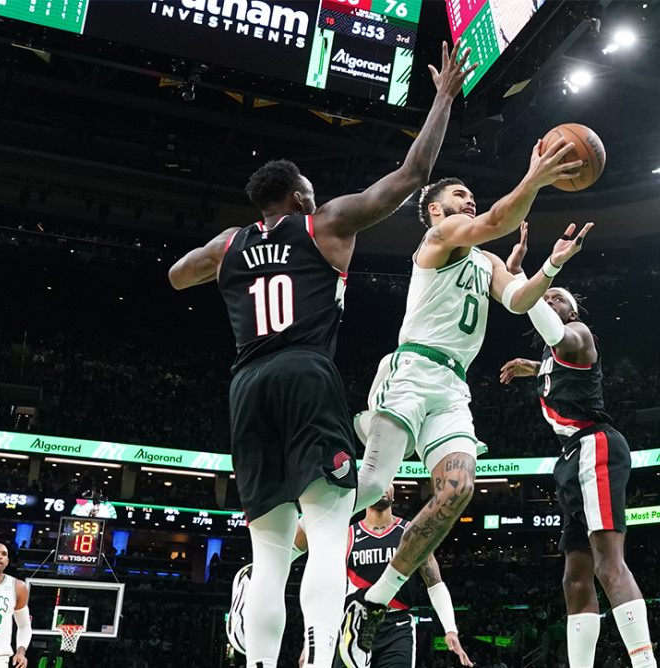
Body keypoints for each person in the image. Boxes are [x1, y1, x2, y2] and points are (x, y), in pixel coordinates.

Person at [168, 41, 475, 668]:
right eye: (310, 191)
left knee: (270, 555)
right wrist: (442, 97)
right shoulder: (325, 223)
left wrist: (233, 258)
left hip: (246, 385)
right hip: (306, 376)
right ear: (301, 197)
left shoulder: (227, 245)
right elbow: (413, 177)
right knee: (330, 537)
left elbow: (177, 275)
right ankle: (314, 660)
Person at [338, 144, 589, 668]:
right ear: (434, 209)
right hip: (411, 371)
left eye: (471, 195)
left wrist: (550, 266)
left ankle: (374, 602)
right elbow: (501, 216)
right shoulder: (438, 237)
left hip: (452, 386)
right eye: (459, 194)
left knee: (458, 489)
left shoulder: (489, 259)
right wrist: (535, 177)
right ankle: (281, 548)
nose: (469, 200)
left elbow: (519, 303)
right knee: (368, 489)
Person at [497, 279, 656, 668]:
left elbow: (560, 337)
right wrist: (534, 367)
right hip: (571, 457)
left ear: (572, 313)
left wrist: (525, 285)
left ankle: (646, 663)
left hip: (595, 446)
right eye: (546, 297)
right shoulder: (553, 360)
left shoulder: (580, 334)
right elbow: (557, 368)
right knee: (575, 576)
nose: (550, 301)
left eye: (558, 299)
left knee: (607, 563)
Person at [228, 486, 472, 668]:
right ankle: (256, 573)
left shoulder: (410, 533)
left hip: (396, 628)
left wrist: (450, 629)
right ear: (368, 490)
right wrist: (312, 643)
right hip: (349, 626)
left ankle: (258, 572)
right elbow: (325, 587)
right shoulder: (347, 534)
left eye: (390, 481)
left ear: (394, 492)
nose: (384, 486)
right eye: (380, 481)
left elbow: (435, 584)